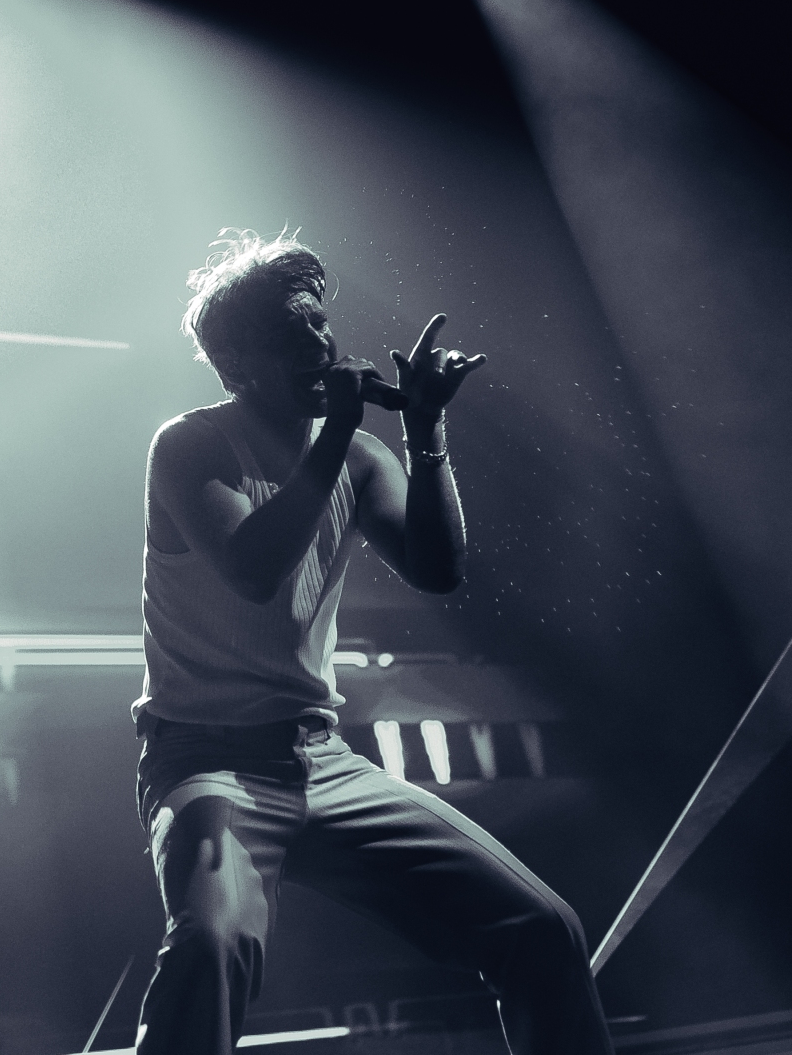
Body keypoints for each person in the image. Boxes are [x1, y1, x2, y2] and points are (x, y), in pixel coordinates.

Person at [132, 228, 613, 1055]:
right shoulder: (191, 445)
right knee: (210, 947)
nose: (320, 345)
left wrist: (426, 434)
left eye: (319, 323)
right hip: (204, 761)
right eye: (291, 333)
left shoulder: (356, 455)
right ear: (238, 363)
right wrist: (334, 435)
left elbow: (437, 569)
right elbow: (254, 569)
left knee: (540, 927)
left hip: (321, 760)